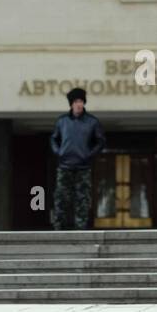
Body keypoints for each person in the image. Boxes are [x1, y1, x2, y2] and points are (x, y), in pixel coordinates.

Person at [50, 87, 105, 230]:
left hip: (83, 166)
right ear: (71, 104)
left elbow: (100, 141)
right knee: (61, 197)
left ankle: (81, 227)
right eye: (76, 101)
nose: (79, 104)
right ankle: (58, 226)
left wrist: (89, 154)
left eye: (81, 101)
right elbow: (54, 139)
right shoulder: (62, 122)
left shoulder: (92, 122)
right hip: (64, 166)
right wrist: (59, 152)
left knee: (83, 198)